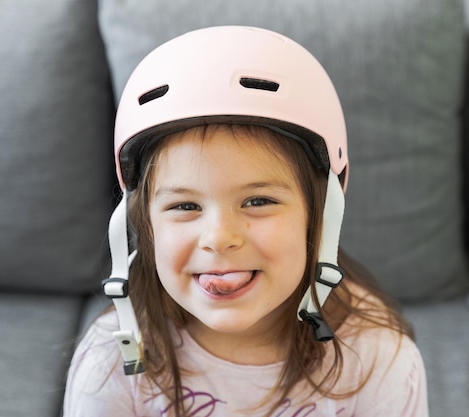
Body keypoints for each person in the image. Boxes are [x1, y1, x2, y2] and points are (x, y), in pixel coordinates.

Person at [63, 26, 428, 417]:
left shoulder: (377, 358)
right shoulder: (110, 362)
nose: (219, 238)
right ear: (145, 224)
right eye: (185, 206)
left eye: (258, 201)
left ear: (322, 212)